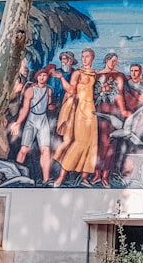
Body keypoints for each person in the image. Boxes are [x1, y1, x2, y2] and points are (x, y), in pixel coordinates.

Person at [54, 49, 99, 187]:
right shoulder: (77, 73)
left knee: (92, 143)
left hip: (91, 109)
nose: (85, 59)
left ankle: (84, 176)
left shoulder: (95, 74)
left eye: (87, 57)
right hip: (80, 109)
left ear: (92, 58)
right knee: (79, 141)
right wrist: (61, 78)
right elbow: (71, 90)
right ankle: (62, 176)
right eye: (83, 56)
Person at [10, 68, 55, 185]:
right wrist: (18, 122)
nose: (42, 77)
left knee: (45, 150)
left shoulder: (49, 91)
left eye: (44, 75)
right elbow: (25, 108)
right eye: (40, 75)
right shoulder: (30, 90)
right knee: (24, 149)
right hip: (31, 120)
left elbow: (49, 104)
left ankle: (46, 179)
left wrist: (51, 107)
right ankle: (16, 176)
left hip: (43, 120)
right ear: (36, 77)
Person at [94, 53, 131, 186]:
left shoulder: (119, 76)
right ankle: (96, 174)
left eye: (116, 61)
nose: (114, 63)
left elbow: (119, 95)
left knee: (109, 143)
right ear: (106, 60)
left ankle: (105, 175)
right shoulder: (96, 75)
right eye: (112, 60)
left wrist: (122, 110)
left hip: (112, 112)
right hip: (97, 111)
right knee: (97, 142)